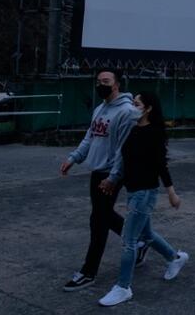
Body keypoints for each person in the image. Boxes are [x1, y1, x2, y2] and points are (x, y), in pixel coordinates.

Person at [97, 91, 188, 307]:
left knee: (129, 241)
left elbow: (160, 164)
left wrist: (171, 192)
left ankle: (123, 287)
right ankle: (175, 258)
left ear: (147, 109)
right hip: (132, 189)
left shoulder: (154, 133)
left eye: (136, 104)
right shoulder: (132, 129)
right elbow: (122, 158)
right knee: (145, 233)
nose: (132, 107)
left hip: (145, 192)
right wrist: (112, 179)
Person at [60, 68, 140, 291]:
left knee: (98, 221)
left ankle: (89, 271)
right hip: (98, 171)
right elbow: (90, 137)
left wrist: (114, 177)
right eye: (98, 81)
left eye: (105, 81)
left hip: (110, 173)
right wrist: (73, 157)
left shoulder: (126, 112)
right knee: (104, 215)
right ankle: (140, 242)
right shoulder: (100, 109)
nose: (100, 85)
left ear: (116, 85)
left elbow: (124, 150)